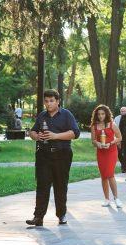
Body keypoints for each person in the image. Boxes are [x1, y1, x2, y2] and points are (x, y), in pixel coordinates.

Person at [26, 89, 80, 227]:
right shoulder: (42, 116)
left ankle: (61, 215)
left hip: (62, 154)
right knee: (42, 185)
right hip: (43, 155)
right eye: (46, 101)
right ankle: (38, 217)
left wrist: (55, 136)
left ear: (58, 101)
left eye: (51, 101)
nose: (48, 104)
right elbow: (32, 131)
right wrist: (35, 136)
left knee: (60, 185)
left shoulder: (66, 114)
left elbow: (75, 133)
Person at [90, 105, 123, 208]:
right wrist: (98, 144)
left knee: (110, 174)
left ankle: (116, 198)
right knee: (104, 175)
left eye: (103, 114)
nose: (101, 116)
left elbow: (120, 137)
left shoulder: (112, 124)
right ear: (96, 115)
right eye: (99, 114)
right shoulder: (94, 126)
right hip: (101, 152)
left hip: (111, 151)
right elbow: (93, 141)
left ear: (106, 114)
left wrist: (111, 143)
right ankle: (106, 199)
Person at [114, 106, 126, 173]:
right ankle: (123, 164)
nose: (123, 112)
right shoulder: (117, 118)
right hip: (118, 137)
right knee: (119, 152)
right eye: (122, 111)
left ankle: (124, 167)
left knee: (125, 153)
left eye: (124, 111)